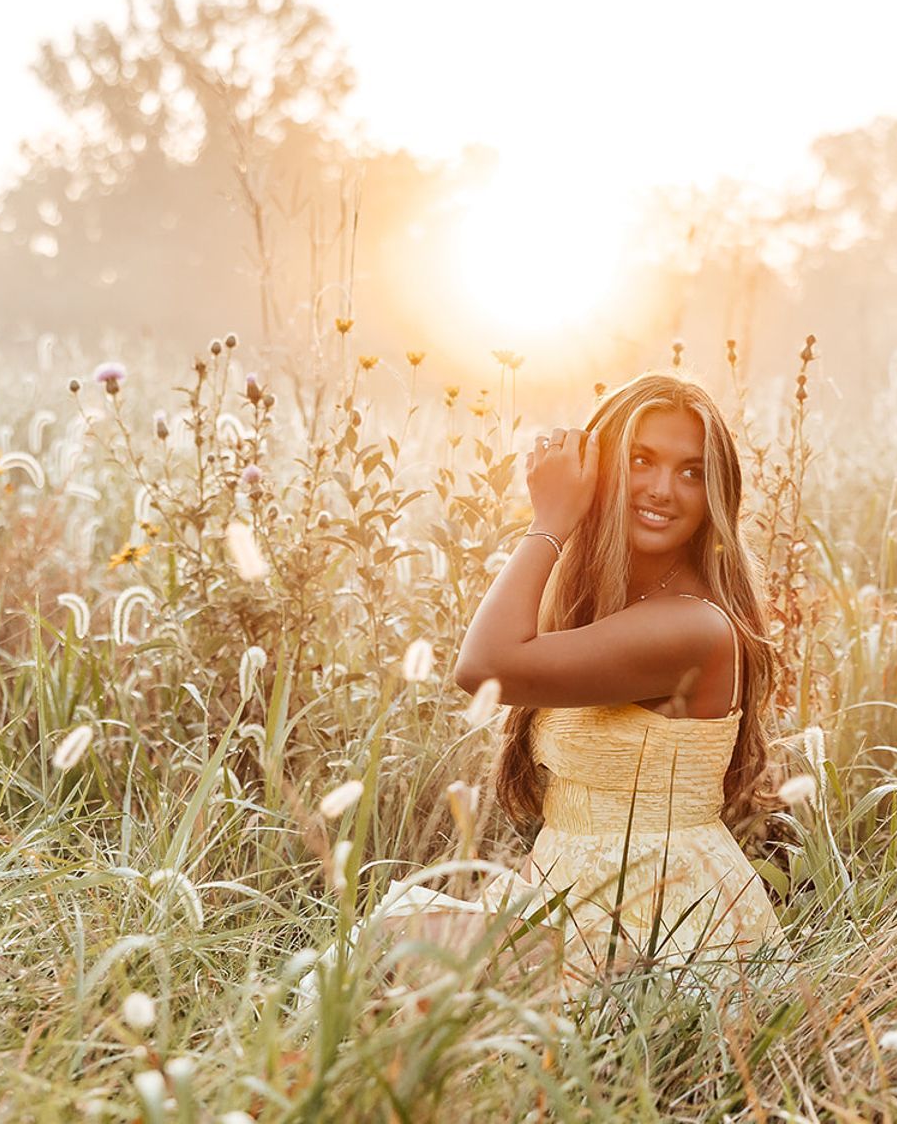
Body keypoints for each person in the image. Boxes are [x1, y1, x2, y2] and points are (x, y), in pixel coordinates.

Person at [325, 373, 785, 999]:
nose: (661, 489)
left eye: (691, 472)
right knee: (386, 953)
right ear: (603, 471)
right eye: (640, 461)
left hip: (653, 917)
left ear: (715, 495)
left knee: (385, 957)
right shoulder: (615, 606)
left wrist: (549, 521)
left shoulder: (691, 626)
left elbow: (483, 667)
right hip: (578, 898)